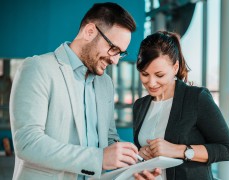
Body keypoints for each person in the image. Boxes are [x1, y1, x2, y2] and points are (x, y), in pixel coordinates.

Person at [10, 3, 160, 180]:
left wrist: (135, 162)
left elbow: (109, 138)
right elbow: (28, 143)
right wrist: (99, 158)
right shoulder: (38, 68)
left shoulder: (105, 83)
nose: (115, 61)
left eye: (121, 53)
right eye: (114, 49)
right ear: (89, 32)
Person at [133, 31, 229, 180]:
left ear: (175, 68)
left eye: (159, 75)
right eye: (145, 74)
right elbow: (141, 152)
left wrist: (178, 150)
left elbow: (226, 149)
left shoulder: (196, 98)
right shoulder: (140, 105)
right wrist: (140, 154)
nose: (151, 83)